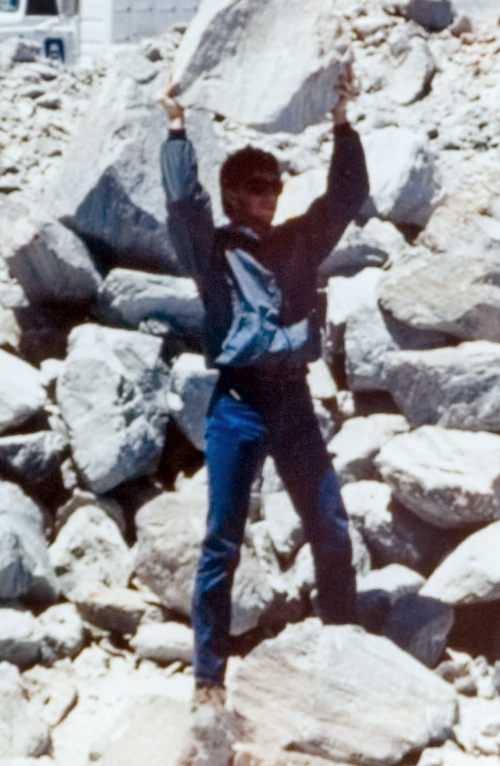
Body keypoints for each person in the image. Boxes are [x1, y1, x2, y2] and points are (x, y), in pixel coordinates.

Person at [158, 65, 369, 707]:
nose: (271, 196)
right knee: (223, 537)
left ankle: (344, 649)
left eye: (275, 185)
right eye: (256, 188)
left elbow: (347, 194)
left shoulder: (300, 240)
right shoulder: (212, 252)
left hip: (294, 402)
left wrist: (341, 121)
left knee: (330, 523)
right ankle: (208, 678)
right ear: (233, 197)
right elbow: (182, 202)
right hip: (240, 405)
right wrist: (175, 127)